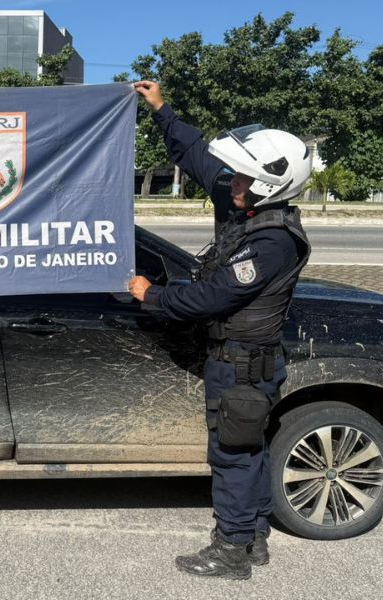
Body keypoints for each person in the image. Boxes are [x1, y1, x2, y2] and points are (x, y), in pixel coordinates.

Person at [128, 81, 311, 580]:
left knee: (231, 455)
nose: (230, 182)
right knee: (249, 450)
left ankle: (231, 551)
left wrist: (152, 295)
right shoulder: (245, 205)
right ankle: (253, 537)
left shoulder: (273, 240)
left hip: (242, 367)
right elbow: (197, 156)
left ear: (267, 187)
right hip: (244, 365)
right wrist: (161, 109)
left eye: (242, 178)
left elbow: (213, 297)